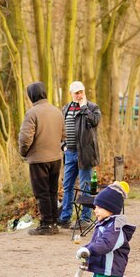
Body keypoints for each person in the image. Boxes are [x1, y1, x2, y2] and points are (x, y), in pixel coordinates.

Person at [76, 182, 135, 277]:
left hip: (111, 267)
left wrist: (90, 250)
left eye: (98, 207)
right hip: (100, 266)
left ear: (110, 208)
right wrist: (86, 249)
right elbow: (95, 242)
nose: (95, 210)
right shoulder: (103, 223)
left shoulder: (115, 227)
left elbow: (106, 244)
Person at [18, 82, 65, 235]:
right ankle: (53, 223)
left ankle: (46, 225)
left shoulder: (32, 113)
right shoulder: (57, 111)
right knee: (52, 191)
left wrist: (23, 152)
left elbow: (25, 138)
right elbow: (64, 135)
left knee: (42, 192)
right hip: (56, 158)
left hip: (39, 159)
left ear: (31, 95)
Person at [57, 81, 101, 228]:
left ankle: (85, 218)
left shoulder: (92, 107)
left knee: (85, 186)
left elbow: (95, 121)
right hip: (69, 153)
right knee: (67, 185)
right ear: (71, 93)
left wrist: (84, 109)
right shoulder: (65, 109)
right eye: (76, 92)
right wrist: (63, 145)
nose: (79, 95)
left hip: (85, 153)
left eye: (81, 92)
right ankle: (65, 217)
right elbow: (60, 129)